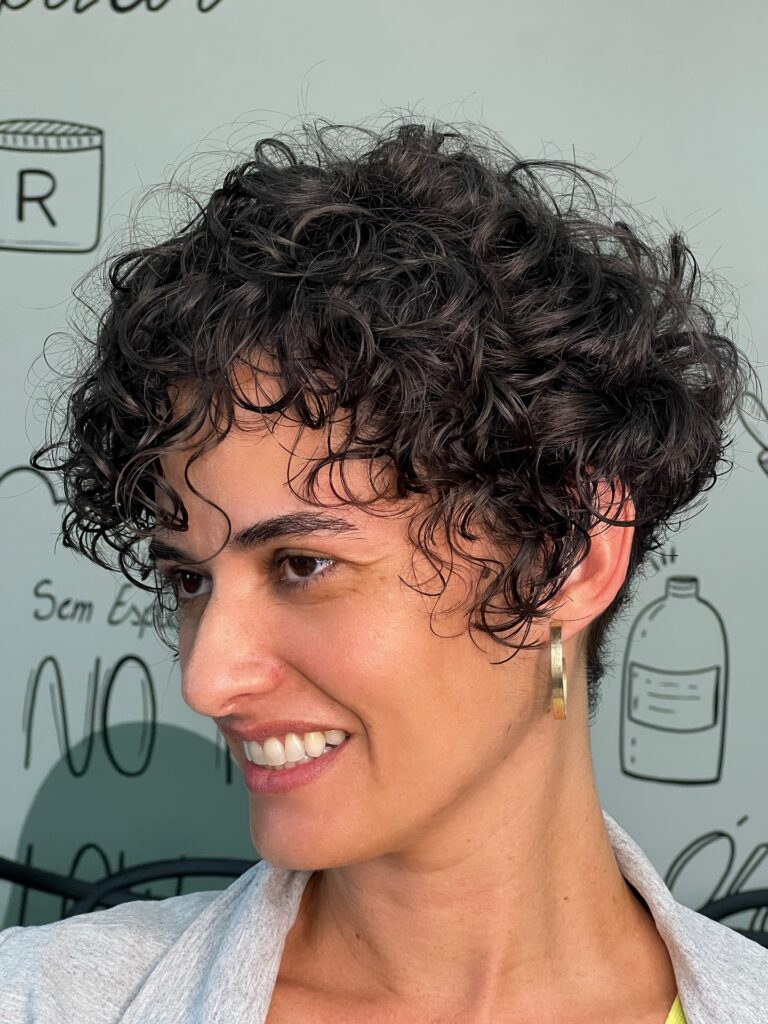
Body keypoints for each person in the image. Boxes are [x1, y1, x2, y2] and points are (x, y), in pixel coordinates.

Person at [1, 115, 766, 1024]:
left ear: (568, 558)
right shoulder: (42, 999)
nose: (206, 680)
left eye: (302, 564)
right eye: (190, 580)